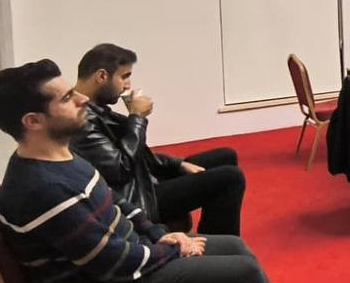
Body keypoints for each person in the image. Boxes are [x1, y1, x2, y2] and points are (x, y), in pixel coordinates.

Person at [0, 60, 350, 283]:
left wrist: (158, 234)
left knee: (234, 247)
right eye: (66, 98)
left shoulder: (59, 155)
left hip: (114, 272)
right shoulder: (41, 189)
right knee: (240, 271)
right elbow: (113, 263)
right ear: (33, 121)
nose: (81, 98)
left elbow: (119, 204)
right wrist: (172, 249)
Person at [71, 43, 246, 235]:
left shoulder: (95, 108)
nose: (128, 85)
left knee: (225, 156)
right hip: (134, 198)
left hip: (141, 181)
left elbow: (134, 154)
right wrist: (137, 117)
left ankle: (217, 237)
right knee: (231, 178)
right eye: (124, 77)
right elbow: (121, 169)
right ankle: (220, 248)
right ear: (102, 76)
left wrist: (177, 164)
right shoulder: (79, 119)